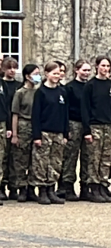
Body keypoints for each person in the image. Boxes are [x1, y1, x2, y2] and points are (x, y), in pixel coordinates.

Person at [81, 56, 111, 203]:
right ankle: (94, 187)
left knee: (106, 159)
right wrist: (87, 130)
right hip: (95, 125)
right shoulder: (90, 85)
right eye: (103, 66)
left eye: (108, 66)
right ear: (97, 67)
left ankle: (104, 185)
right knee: (94, 158)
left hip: (109, 126)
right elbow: (85, 108)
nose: (105, 69)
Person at [29, 62, 69, 205]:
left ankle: (51, 189)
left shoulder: (62, 92)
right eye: (54, 73)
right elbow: (36, 115)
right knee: (41, 162)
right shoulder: (41, 92)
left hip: (58, 132)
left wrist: (65, 133)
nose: (57, 76)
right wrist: (37, 136)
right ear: (46, 74)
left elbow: (65, 114)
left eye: (58, 73)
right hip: (44, 132)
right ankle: (42, 191)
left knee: (55, 162)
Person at [61, 60, 92, 201]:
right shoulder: (69, 88)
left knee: (87, 156)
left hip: (88, 124)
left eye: (88, 70)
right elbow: (65, 109)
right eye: (84, 70)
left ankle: (85, 186)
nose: (86, 73)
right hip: (74, 123)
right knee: (70, 156)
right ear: (76, 70)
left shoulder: (90, 87)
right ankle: (67, 186)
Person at [11, 64, 39, 202]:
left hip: (36, 126)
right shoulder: (20, 93)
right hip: (23, 126)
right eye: (35, 74)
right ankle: (21, 187)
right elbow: (15, 114)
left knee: (35, 159)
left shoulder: (39, 92)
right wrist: (15, 134)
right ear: (27, 76)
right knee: (21, 159)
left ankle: (32, 188)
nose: (38, 77)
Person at [0, 57, 19, 201]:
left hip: (15, 123)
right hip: (5, 123)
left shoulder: (17, 86)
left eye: (14, 68)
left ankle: (14, 186)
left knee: (14, 158)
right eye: (9, 67)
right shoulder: (3, 83)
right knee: (3, 157)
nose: (12, 71)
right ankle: (2, 185)